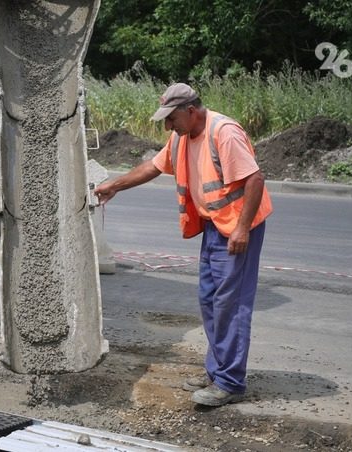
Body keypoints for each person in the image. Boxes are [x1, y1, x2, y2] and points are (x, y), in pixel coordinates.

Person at [94, 83, 273, 407]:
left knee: (229, 305)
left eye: (171, 118)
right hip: (214, 228)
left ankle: (230, 383)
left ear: (191, 111)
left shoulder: (224, 132)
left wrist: (242, 229)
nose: (167, 126)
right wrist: (115, 186)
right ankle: (216, 371)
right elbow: (153, 167)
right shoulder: (181, 136)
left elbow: (255, 180)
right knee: (209, 300)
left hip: (237, 229)